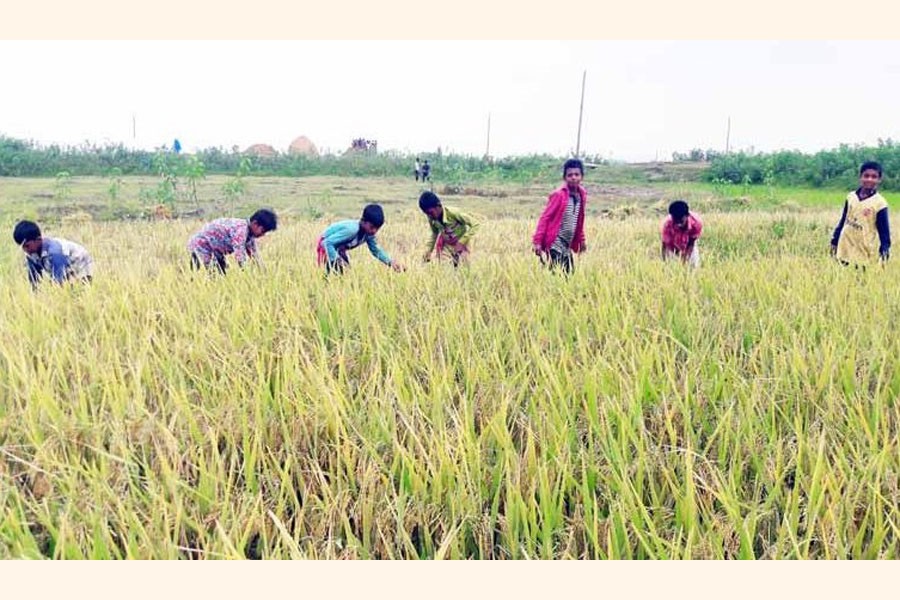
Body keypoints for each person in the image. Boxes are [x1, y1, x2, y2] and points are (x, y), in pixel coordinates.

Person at [532, 158, 588, 274]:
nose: (573, 177)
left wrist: (581, 240)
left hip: (567, 245)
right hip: (555, 243)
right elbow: (545, 218)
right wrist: (537, 242)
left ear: (582, 176)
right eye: (570, 175)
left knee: (570, 274)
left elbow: (578, 221)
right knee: (559, 275)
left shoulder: (581, 196)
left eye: (577, 174)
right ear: (565, 178)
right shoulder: (559, 195)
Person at [831, 160, 891, 267]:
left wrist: (884, 254)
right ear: (860, 177)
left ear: (879, 180)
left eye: (874, 177)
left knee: (860, 280)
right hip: (844, 247)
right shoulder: (851, 197)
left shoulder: (880, 204)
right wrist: (834, 241)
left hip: (863, 251)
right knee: (840, 279)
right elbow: (843, 221)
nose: (869, 179)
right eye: (866, 175)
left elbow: (884, 234)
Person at [316, 204, 405, 275]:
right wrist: (337, 260)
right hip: (326, 246)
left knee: (344, 274)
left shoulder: (368, 234)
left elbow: (376, 251)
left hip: (339, 249)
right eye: (372, 227)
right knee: (332, 274)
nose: (374, 231)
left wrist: (391, 263)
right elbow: (327, 243)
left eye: (377, 229)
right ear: (363, 221)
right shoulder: (352, 230)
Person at [187, 209, 278, 274]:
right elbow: (240, 258)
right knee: (205, 276)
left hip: (215, 252)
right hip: (200, 247)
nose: (262, 235)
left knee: (220, 276)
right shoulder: (241, 230)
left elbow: (254, 256)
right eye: (262, 231)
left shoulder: (250, 236)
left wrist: (264, 273)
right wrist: (247, 278)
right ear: (255, 224)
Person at [12, 220, 94, 288]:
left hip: (81, 264)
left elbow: (58, 279)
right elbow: (34, 279)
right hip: (64, 266)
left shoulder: (55, 252)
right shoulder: (31, 253)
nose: (25, 249)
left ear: (38, 240)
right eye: (22, 247)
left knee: (81, 289)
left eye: (27, 246)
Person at [418, 191, 480, 266]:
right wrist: (428, 252)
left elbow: (476, 224)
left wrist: (462, 242)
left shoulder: (454, 213)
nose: (430, 216)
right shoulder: (431, 218)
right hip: (447, 247)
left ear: (439, 206)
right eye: (427, 214)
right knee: (445, 269)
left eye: (431, 212)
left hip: (463, 245)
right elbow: (434, 234)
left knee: (464, 269)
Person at [660, 200, 703, 268]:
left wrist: (685, 258)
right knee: (670, 268)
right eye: (675, 221)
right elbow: (665, 245)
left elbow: (691, 243)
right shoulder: (667, 224)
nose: (678, 224)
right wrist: (664, 261)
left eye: (681, 221)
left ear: (687, 215)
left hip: (687, 244)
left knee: (693, 267)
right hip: (672, 246)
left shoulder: (696, 223)